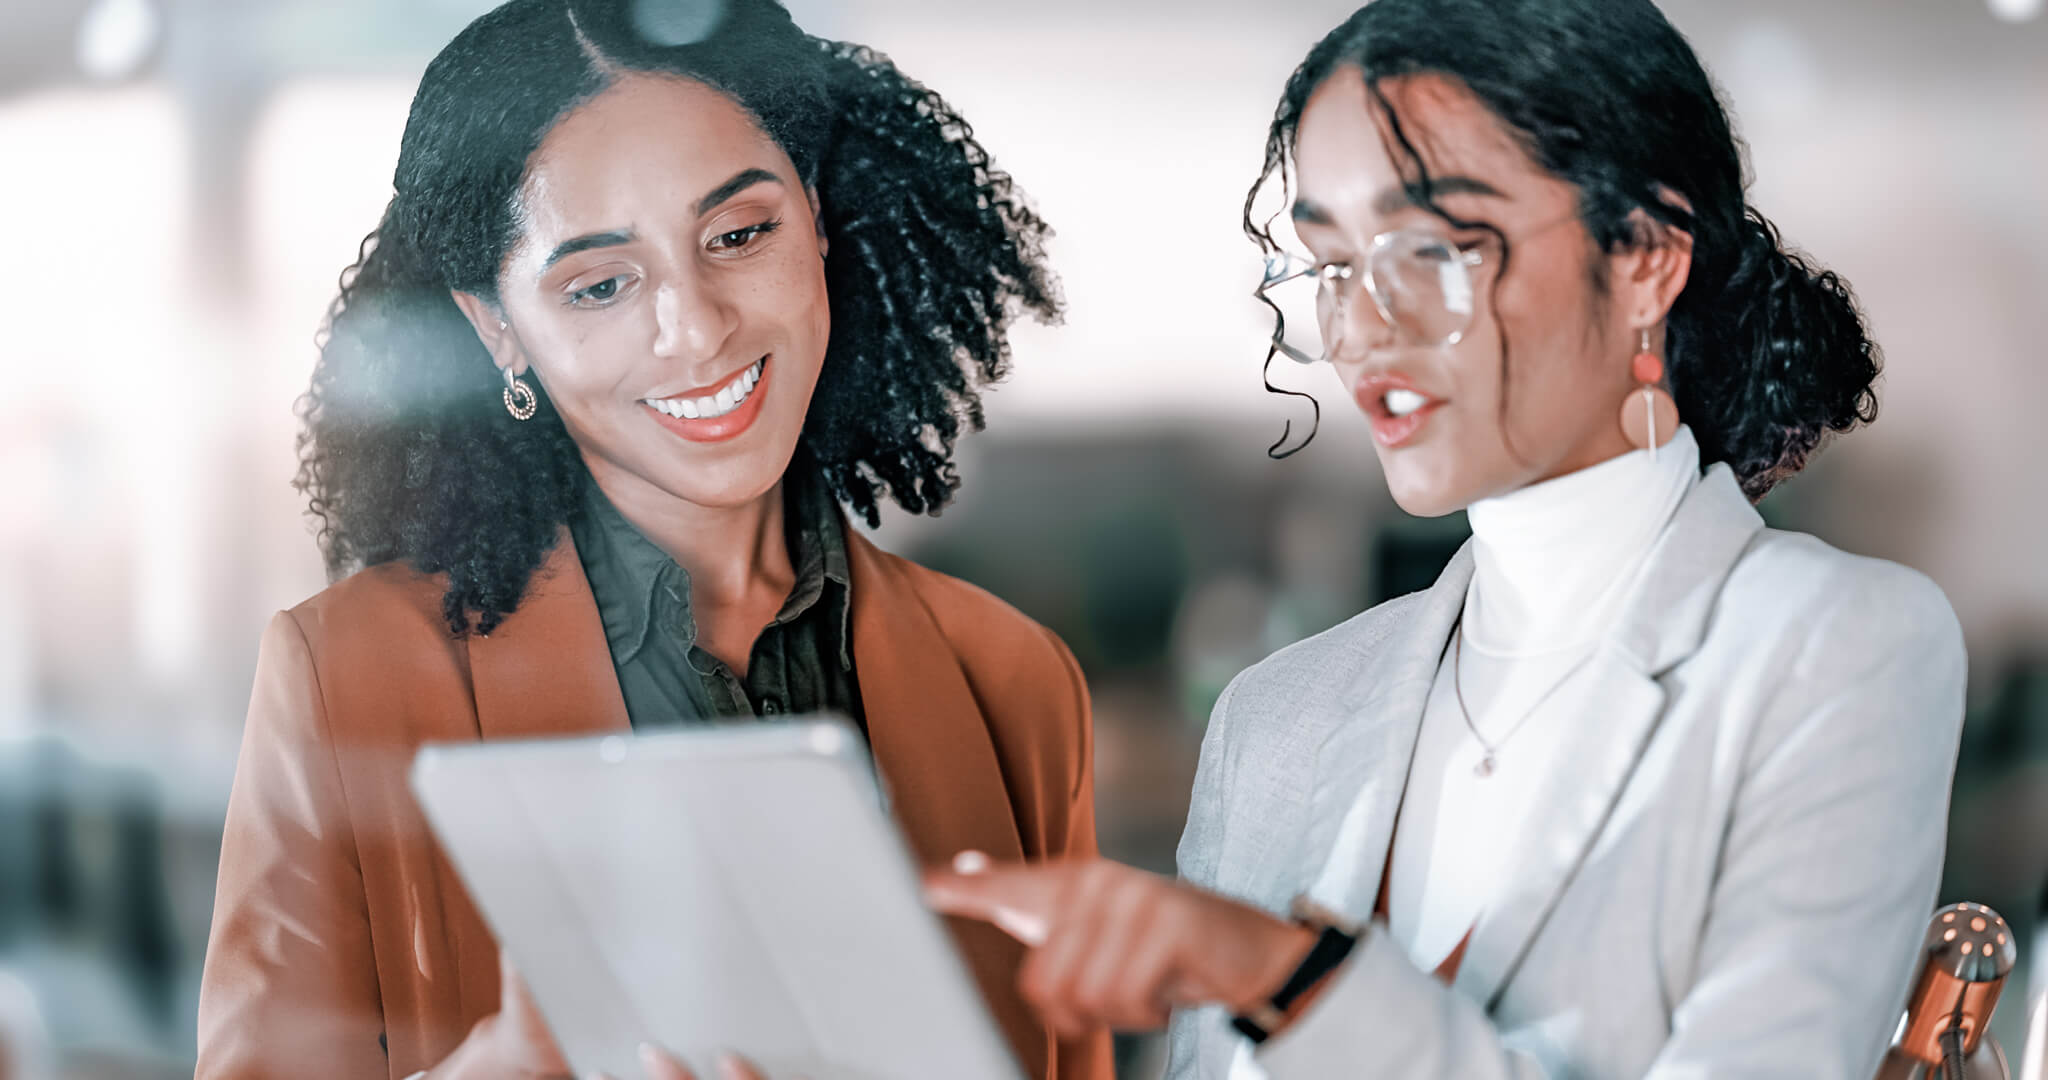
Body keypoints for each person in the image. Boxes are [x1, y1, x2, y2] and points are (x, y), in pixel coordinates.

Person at [926, 1, 1966, 1076]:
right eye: (1329, 262)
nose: (1359, 329)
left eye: (1432, 247)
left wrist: (1277, 977)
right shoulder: (1273, 720)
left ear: (1645, 257)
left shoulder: (1830, 646)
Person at [195, 2, 1112, 1078]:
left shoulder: (1013, 682)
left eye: (737, 234)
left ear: (815, 217)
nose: (695, 326)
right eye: (599, 285)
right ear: (498, 329)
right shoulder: (346, 676)